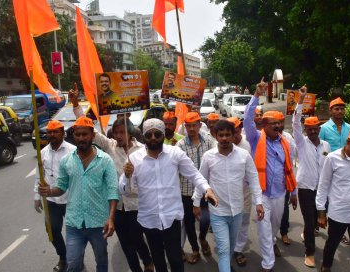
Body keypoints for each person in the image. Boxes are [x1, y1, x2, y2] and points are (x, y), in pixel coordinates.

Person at [70, 89, 154, 272]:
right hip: (118, 206)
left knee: (138, 239)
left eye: (121, 132)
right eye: (115, 133)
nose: (118, 136)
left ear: (130, 133)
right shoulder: (110, 146)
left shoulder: (142, 150)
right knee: (126, 244)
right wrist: (76, 105)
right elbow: (89, 128)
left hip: (137, 204)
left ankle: (148, 261)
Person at [120, 118, 218, 272]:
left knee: (175, 259)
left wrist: (207, 188)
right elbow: (125, 191)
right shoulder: (133, 159)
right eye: (149, 134)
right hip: (149, 219)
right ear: (143, 136)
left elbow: (194, 174)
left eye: (157, 134)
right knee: (158, 260)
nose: (153, 138)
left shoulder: (175, 153)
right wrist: (127, 176)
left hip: (171, 217)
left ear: (163, 134)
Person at [38, 116, 119, 272]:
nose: (81, 138)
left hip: (98, 223)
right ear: (73, 136)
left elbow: (112, 191)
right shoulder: (67, 161)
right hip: (74, 223)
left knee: (101, 261)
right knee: (73, 264)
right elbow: (61, 187)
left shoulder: (105, 160)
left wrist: (110, 218)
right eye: (77, 135)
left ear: (92, 135)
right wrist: (49, 191)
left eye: (85, 134)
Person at [193, 120, 264, 272]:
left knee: (231, 245)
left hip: (237, 211)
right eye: (221, 135)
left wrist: (259, 202)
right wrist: (196, 202)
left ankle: (226, 265)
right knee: (224, 249)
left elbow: (253, 179)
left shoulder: (244, 155)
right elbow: (201, 179)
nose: (224, 138)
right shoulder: (209, 156)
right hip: (218, 212)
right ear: (216, 136)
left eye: (227, 135)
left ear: (233, 136)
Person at [243, 78, 297, 272]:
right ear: (264, 125)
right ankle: (268, 264)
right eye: (273, 124)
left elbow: (289, 168)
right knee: (264, 229)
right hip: (262, 194)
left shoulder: (285, 142)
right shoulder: (255, 138)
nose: (277, 127)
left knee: (274, 226)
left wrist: (294, 192)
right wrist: (256, 95)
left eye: (280, 124)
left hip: (280, 193)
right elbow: (248, 119)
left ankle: (273, 241)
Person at [316, 129, 350, 272]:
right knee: (332, 244)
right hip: (339, 213)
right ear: (348, 142)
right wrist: (321, 213)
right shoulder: (332, 158)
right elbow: (323, 186)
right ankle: (326, 266)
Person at [292, 87, 331, 268]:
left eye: (315, 129)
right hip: (306, 188)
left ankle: (308, 232)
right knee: (309, 220)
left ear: (318, 129)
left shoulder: (326, 146)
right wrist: (301, 99)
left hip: (322, 190)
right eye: (308, 129)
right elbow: (294, 123)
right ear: (305, 130)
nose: (312, 132)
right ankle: (309, 252)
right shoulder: (301, 142)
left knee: (316, 220)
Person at [33, 120, 76, 272]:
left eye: (55, 131)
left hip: (71, 199)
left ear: (62, 133)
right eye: (50, 132)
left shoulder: (73, 151)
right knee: (52, 230)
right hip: (51, 200)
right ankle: (63, 258)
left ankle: (76, 259)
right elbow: (39, 177)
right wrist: (37, 198)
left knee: (76, 233)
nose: (52, 134)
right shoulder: (43, 153)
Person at [176, 112, 216, 264]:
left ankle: (203, 238)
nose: (192, 129)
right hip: (186, 191)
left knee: (205, 219)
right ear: (185, 127)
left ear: (200, 125)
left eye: (194, 125)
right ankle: (194, 249)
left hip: (206, 189)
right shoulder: (180, 146)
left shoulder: (209, 141)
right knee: (189, 223)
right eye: (189, 126)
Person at [318, 96, 350, 245]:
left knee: (339, 201)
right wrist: (327, 159)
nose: (340, 111)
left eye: (342, 108)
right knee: (324, 199)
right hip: (328, 170)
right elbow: (319, 148)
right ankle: (318, 221)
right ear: (330, 111)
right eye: (336, 109)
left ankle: (338, 231)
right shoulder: (324, 128)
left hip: (345, 171)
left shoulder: (349, 128)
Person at [227, 117, 253, 267]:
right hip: (224, 191)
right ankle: (228, 249)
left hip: (244, 190)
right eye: (231, 133)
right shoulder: (220, 144)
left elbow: (251, 170)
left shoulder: (246, 145)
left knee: (243, 221)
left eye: (236, 132)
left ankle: (238, 249)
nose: (234, 136)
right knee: (227, 222)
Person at [274, 111, 296, 246]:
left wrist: (293, 187)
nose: (278, 125)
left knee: (284, 208)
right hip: (268, 182)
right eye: (275, 122)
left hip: (284, 180)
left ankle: (284, 232)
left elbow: (291, 160)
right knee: (269, 213)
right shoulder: (263, 137)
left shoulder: (288, 138)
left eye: (280, 122)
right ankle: (271, 239)